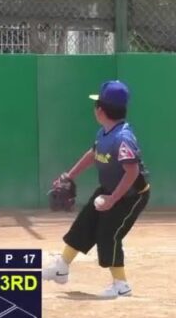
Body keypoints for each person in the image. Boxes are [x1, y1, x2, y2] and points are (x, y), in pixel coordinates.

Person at [42, 80, 151, 298]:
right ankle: (61, 267)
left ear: (100, 110)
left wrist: (112, 200)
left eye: (96, 104)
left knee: (108, 233)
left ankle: (121, 285)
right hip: (110, 189)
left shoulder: (122, 138)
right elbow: (93, 154)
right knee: (86, 222)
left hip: (131, 195)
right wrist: (69, 175)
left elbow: (132, 172)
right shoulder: (105, 133)